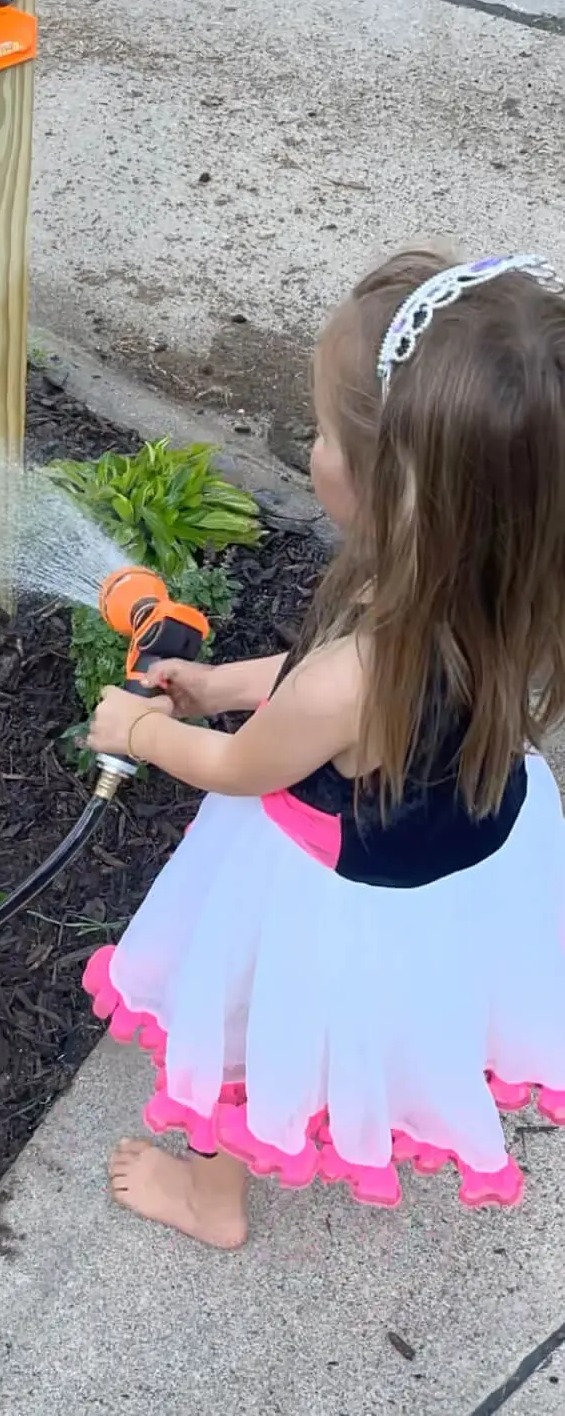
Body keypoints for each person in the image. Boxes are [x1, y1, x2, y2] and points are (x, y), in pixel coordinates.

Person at [85, 248, 565, 1250]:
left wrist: (142, 728)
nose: (311, 448)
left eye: (319, 431)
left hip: (322, 888)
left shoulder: (361, 665)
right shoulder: (499, 579)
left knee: (236, 1023)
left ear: (385, 484)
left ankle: (209, 1201)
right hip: (462, 853)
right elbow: (315, 690)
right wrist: (218, 686)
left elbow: (239, 766)